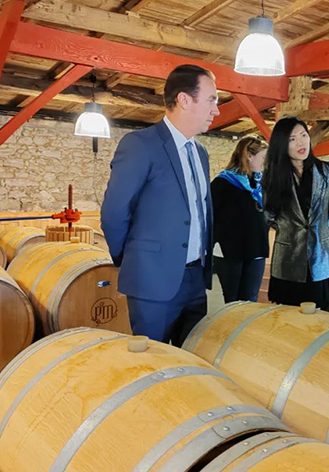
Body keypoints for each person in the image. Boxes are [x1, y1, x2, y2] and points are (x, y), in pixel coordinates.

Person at [101, 64, 218, 346]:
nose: (216, 110)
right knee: (152, 362)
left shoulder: (200, 152)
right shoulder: (140, 144)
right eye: (211, 100)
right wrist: (133, 259)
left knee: (191, 358)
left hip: (196, 279)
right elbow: (114, 213)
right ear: (184, 100)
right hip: (151, 279)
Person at [262, 117, 329, 310]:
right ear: (281, 144)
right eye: (292, 139)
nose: (301, 143)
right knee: (288, 317)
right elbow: (269, 215)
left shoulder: (327, 170)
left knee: (321, 316)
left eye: (303, 135)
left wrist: (316, 232)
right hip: (288, 258)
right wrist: (291, 230)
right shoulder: (273, 176)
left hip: (320, 257)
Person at [211, 136, 269, 302]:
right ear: (249, 156)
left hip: (256, 250)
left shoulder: (261, 183)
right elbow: (210, 217)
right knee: (233, 300)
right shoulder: (222, 183)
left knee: (250, 299)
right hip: (230, 252)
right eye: (263, 157)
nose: (266, 162)